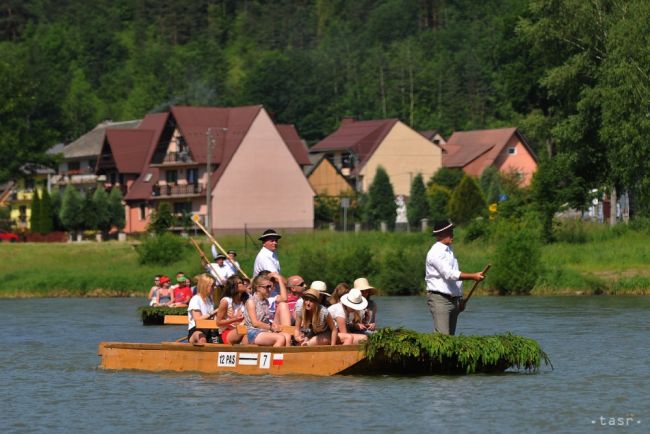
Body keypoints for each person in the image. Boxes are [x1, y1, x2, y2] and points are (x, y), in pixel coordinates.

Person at [425, 219, 485, 335]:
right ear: (440, 234)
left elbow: (454, 280)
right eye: (450, 231)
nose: (453, 234)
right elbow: (450, 274)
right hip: (440, 300)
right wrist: (473, 276)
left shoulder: (449, 251)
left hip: (453, 300)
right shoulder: (435, 252)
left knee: (450, 340)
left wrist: (459, 299)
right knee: (442, 339)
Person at [242, 275, 292, 347]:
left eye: (270, 286)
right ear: (258, 287)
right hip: (252, 332)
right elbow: (255, 323)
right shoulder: (251, 301)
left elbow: (284, 299)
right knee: (280, 338)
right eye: (267, 287)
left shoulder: (266, 301)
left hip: (264, 331)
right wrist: (271, 327)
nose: (270, 289)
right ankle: (273, 357)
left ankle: (284, 358)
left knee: (286, 336)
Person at [215, 275, 249, 345]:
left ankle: (246, 354)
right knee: (247, 331)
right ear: (233, 286)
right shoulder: (226, 301)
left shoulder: (247, 300)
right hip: (227, 331)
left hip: (243, 330)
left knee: (249, 334)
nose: (244, 284)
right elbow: (218, 322)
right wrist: (235, 319)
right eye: (240, 282)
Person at [187, 274, 219, 344]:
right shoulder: (196, 299)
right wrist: (214, 312)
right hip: (196, 330)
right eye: (213, 286)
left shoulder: (210, 300)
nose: (215, 287)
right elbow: (198, 320)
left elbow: (213, 319)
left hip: (209, 329)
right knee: (202, 338)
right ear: (205, 286)